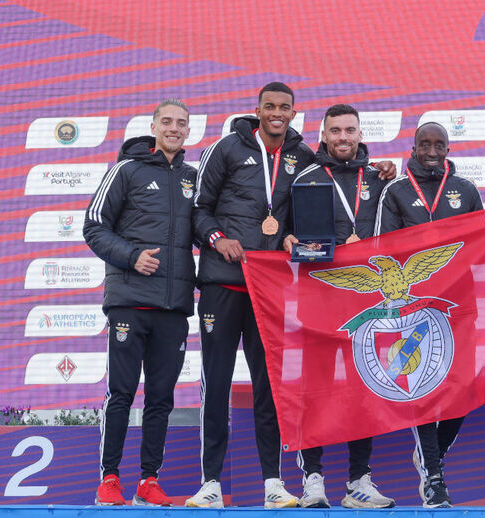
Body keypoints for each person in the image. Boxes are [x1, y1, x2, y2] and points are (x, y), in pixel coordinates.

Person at [187, 82, 315, 509]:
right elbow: (198, 210)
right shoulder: (225, 149)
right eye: (270, 107)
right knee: (217, 385)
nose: (277, 113)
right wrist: (217, 237)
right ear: (257, 110)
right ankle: (209, 484)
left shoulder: (302, 157)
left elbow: (311, 211)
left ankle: (274, 483)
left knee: (270, 388)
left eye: (285, 107)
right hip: (223, 283)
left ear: (294, 113)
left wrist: (294, 236)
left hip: (270, 290)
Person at [84, 99, 196, 506]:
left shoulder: (192, 178)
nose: (173, 128)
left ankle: (149, 481)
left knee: (161, 398)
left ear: (188, 131)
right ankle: (109, 479)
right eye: (166, 121)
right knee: (122, 393)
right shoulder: (125, 170)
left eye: (181, 123)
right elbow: (94, 225)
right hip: (130, 303)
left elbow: (209, 228)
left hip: (174, 308)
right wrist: (131, 256)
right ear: (153, 126)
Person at [283, 104, 396, 509]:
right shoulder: (306, 178)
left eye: (350, 129)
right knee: (315, 390)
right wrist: (287, 240)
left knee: (363, 389)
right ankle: (313, 478)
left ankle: (358, 481)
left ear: (360, 132)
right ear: (324, 134)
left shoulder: (381, 181)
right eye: (335, 131)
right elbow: (285, 232)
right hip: (319, 298)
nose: (343, 137)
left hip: (368, 302)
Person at [373, 121, 484, 508]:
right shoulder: (397, 191)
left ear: (449, 148)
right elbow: (383, 252)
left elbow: (484, 245)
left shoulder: (466, 191)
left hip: (458, 306)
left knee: (462, 392)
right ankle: (434, 477)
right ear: (414, 147)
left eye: (440, 144)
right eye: (425, 144)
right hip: (415, 310)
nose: (432, 151)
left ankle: (429, 455)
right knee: (422, 389)